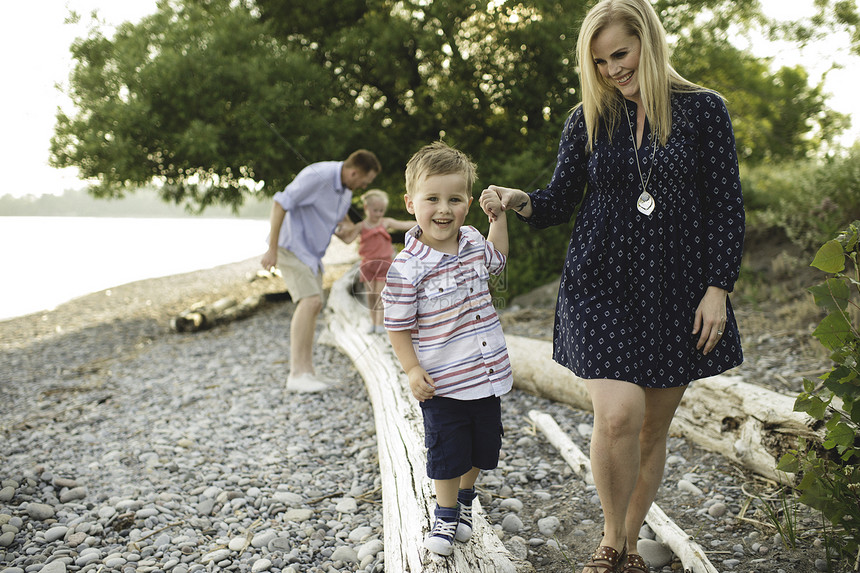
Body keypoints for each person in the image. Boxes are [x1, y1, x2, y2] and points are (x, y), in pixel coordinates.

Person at [483, 0, 745, 571]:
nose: (611, 71)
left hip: (679, 289)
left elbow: (726, 207)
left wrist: (717, 288)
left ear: (647, 41)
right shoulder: (590, 118)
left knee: (652, 428)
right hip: (600, 282)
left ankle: (630, 542)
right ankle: (610, 539)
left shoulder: (704, 112)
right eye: (599, 62)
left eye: (619, 55)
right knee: (619, 415)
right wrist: (516, 199)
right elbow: (556, 201)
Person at [382, 141, 512, 557]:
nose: (443, 209)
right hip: (442, 381)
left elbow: (499, 259)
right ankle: (445, 512)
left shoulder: (474, 241)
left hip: (486, 374)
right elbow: (397, 326)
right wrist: (411, 370)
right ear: (410, 203)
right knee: (445, 449)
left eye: (454, 199)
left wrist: (499, 218)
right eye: (432, 199)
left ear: (468, 203)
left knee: (479, 447)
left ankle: (467, 501)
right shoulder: (407, 266)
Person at [261, 150, 381, 393]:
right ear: (354, 171)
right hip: (290, 246)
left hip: (311, 255)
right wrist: (271, 249)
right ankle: (296, 374)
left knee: (314, 305)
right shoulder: (318, 174)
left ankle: (307, 371)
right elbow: (280, 202)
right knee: (310, 301)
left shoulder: (345, 191)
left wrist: (356, 228)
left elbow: (343, 231)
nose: (363, 187)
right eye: (364, 182)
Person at [338, 189, 414, 334]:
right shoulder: (361, 226)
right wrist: (337, 233)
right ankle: (373, 322)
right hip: (367, 265)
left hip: (384, 264)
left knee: (380, 294)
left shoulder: (385, 222)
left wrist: (423, 222)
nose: (379, 214)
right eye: (375, 210)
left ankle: (380, 324)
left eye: (381, 210)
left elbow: (403, 224)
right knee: (370, 296)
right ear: (366, 208)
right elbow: (348, 239)